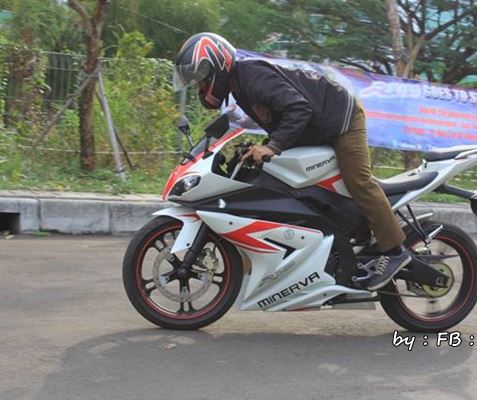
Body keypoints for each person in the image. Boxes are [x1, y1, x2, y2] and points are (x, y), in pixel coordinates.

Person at [172, 32, 411, 291]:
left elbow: (298, 108)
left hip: (342, 119)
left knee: (358, 181)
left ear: (217, 65)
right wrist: (259, 148)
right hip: (316, 126)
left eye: (201, 77)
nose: (201, 85)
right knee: (289, 179)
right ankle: (345, 242)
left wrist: (272, 146)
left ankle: (395, 251)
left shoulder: (252, 77)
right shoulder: (240, 85)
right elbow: (279, 116)